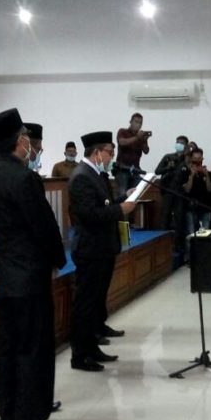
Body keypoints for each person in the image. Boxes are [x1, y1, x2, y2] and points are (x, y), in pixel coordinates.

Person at [0, 109, 68, 420]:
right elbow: (43, 226)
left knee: (8, 352)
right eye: (27, 138)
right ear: (20, 141)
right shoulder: (24, 178)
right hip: (29, 277)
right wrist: (58, 259)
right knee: (33, 352)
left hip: (4, 276)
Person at [67, 130, 136, 371]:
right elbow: (89, 214)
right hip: (90, 249)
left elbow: (104, 204)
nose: (111, 157)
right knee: (85, 304)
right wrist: (121, 210)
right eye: (109, 152)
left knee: (96, 300)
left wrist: (122, 199)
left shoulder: (96, 174)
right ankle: (80, 355)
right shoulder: (81, 176)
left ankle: (92, 347)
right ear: (97, 152)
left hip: (103, 247)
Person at [114, 112, 150, 193]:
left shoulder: (140, 136)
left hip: (135, 170)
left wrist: (145, 141)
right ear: (130, 122)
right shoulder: (123, 131)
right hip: (123, 169)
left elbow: (146, 151)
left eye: (140, 123)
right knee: (122, 193)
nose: (138, 125)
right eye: (136, 122)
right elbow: (122, 142)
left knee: (136, 193)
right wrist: (137, 137)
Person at [182, 146, 211, 233]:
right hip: (191, 207)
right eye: (195, 158)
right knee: (191, 232)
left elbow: (209, 189)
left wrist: (207, 176)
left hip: (204, 206)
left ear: (202, 159)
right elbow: (187, 190)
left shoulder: (205, 172)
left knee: (205, 233)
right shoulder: (186, 172)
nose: (197, 161)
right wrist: (191, 176)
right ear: (191, 158)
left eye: (199, 158)